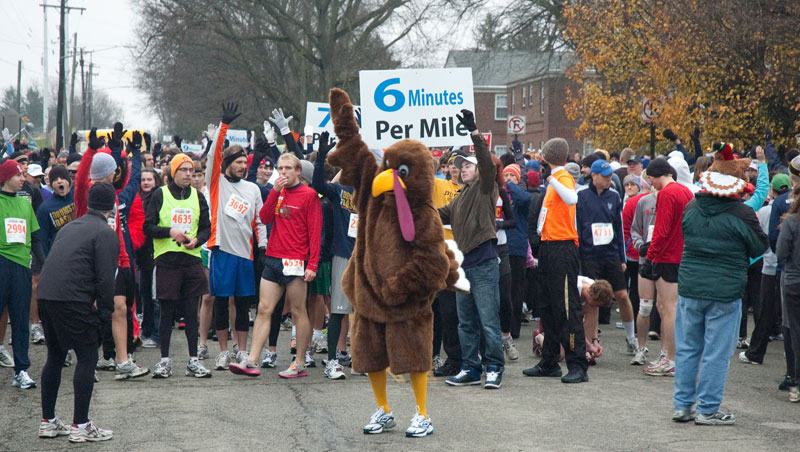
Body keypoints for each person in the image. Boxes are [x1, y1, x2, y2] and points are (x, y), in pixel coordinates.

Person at [672, 144, 768, 424]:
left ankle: (682, 406)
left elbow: (686, 234)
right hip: (726, 290)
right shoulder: (743, 214)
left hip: (690, 285)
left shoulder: (692, 208)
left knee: (688, 347)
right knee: (716, 352)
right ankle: (708, 408)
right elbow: (758, 246)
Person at [36, 183, 119, 442]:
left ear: (89, 202)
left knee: (55, 355)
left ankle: (48, 421)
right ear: (113, 205)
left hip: (47, 295)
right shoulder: (105, 232)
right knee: (87, 356)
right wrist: (105, 315)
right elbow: (106, 280)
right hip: (72, 298)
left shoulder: (69, 226)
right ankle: (80, 425)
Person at [229, 151, 321, 378]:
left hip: (296, 260)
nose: (283, 173)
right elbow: (265, 217)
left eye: (288, 169)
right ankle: (252, 360)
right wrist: (275, 193)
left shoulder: (309, 195)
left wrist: (313, 265)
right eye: (280, 169)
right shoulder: (276, 193)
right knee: (264, 309)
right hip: (273, 258)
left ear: (298, 172)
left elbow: (315, 233)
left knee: (298, 311)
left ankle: (299, 363)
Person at [75, 127, 149, 380]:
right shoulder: (86, 195)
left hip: (116, 263)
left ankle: (122, 360)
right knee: (92, 312)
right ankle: (89, 362)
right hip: (89, 263)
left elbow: (117, 233)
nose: (117, 171)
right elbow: (81, 178)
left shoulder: (115, 198)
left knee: (120, 308)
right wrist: (91, 151)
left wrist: (125, 263)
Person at [439, 110, 505, 389]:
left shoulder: (485, 187)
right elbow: (435, 215)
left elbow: (488, 164)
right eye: (459, 166)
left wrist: (475, 133)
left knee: (488, 321)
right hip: (462, 267)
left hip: (484, 262)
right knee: (465, 323)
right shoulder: (458, 198)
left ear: (479, 170)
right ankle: (471, 368)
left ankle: (494, 368)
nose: (461, 168)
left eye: (467, 165)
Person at [203, 103, 267, 370]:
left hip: (246, 254)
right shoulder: (217, 183)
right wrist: (223, 126)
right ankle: (223, 351)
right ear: (228, 164)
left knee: (242, 306)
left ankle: (242, 351)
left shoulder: (253, 189)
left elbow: (260, 220)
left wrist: (262, 245)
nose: (244, 166)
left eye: (245, 162)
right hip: (222, 251)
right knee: (221, 302)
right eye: (239, 163)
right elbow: (213, 158)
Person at [523, 137, 587, 384]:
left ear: (546, 158)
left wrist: (550, 178)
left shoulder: (562, 178)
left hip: (563, 247)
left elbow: (572, 198)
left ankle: (578, 364)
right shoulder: (553, 182)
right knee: (547, 306)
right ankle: (549, 361)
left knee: (567, 307)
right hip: (550, 247)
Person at [144, 153, 213, 379]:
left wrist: (198, 240)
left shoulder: (198, 196)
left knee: (191, 314)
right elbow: (148, 227)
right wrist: (170, 232)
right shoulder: (159, 195)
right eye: (183, 170)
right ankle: (164, 361)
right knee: (167, 313)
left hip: (191, 260)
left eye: (191, 170)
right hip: (167, 260)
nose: (188, 174)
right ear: (173, 173)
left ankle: (193, 361)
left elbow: (206, 228)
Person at [576, 159, 639, 356]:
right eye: (604, 176)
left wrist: (622, 257)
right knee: (592, 300)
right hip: (589, 255)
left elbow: (618, 227)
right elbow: (577, 226)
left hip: (611, 253)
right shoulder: (581, 196)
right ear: (593, 176)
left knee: (622, 295)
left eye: (610, 176)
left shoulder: (614, 196)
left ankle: (631, 338)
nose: (608, 179)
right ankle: (589, 344)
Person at [640, 158, 693, 377]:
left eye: (651, 178)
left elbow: (660, 232)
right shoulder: (686, 192)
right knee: (670, 308)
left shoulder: (666, 194)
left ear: (656, 175)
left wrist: (650, 258)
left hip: (667, 257)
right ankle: (669, 356)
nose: (651, 183)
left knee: (669, 309)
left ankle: (671, 359)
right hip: (682, 254)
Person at [0, 159, 44, 389]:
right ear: (6, 178)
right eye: (18, 176)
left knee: (20, 320)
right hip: (1, 263)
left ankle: (21, 371)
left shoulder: (25, 204)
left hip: (21, 267)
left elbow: (35, 237)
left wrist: (44, 265)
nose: (23, 179)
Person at [776, 184, 800, 404]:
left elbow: (781, 253)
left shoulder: (791, 222)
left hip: (794, 281)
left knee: (796, 333)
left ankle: (797, 381)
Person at [36, 165, 75, 256]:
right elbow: (42, 239)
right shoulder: (45, 208)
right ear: (51, 185)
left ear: (69, 181)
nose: (59, 181)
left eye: (62, 178)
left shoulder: (77, 198)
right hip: (59, 254)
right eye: (55, 179)